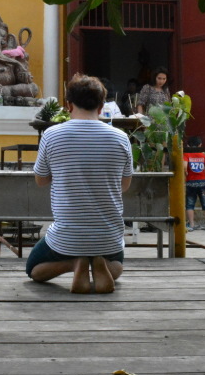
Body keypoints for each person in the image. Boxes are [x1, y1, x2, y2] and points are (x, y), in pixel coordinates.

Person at [26, 74, 134, 294]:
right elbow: (124, 186)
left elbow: (41, 180)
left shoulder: (52, 135)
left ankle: (75, 263)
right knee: (117, 267)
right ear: (102, 105)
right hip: (109, 236)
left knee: (34, 270)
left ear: (68, 105)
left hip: (66, 237)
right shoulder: (121, 138)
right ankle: (97, 262)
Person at [184, 137, 205, 232]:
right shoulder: (203, 156)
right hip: (203, 183)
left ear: (188, 145)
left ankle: (192, 224)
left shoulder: (186, 155)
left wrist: (185, 174)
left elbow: (184, 167)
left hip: (191, 184)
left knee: (190, 204)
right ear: (200, 145)